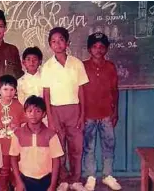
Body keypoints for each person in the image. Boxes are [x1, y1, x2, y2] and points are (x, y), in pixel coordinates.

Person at [41, 27, 89, 191]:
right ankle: (62, 179)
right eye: (53, 41)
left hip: (74, 109)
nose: (58, 44)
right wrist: (49, 116)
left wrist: (82, 114)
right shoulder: (47, 67)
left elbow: (81, 90)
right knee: (59, 147)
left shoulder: (76, 63)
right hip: (55, 110)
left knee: (76, 146)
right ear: (50, 45)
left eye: (61, 40)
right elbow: (45, 93)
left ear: (68, 42)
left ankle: (75, 179)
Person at [83, 32, 122, 191]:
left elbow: (115, 91)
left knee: (109, 145)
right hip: (88, 114)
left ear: (106, 49)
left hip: (107, 113)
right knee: (89, 147)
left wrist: (115, 111)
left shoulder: (111, 67)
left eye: (101, 47)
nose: (98, 50)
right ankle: (90, 176)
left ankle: (107, 175)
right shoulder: (82, 66)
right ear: (89, 49)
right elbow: (78, 91)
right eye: (94, 47)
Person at [10, 95, 64, 191]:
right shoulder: (18, 134)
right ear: (25, 113)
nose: (33, 114)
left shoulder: (51, 135)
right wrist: (19, 182)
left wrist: (52, 185)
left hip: (46, 179)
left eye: (38, 111)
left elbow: (56, 161)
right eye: (30, 111)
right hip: (24, 179)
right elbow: (13, 159)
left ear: (44, 114)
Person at [0, 74, 26, 191]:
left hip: (15, 146)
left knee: (16, 169)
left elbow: (23, 124)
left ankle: (17, 186)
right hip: (0, 145)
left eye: (12, 89)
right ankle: (3, 188)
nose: (9, 93)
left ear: (15, 90)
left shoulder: (19, 106)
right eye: (5, 89)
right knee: (3, 169)